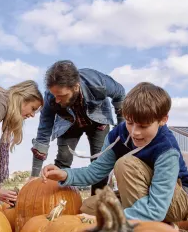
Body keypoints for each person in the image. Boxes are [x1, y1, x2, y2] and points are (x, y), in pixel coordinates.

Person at [41, 82, 188, 223]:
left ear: (163, 120)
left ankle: (152, 227)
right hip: (145, 195)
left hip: (176, 201)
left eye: (143, 126)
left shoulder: (166, 148)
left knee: (125, 163)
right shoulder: (118, 135)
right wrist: (65, 174)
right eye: (130, 123)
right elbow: (95, 171)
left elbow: (157, 207)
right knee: (89, 207)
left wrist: (113, 219)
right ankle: (145, 219)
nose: (135, 132)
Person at [30, 60, 125, 196]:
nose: (56, 100)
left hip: (98, 120)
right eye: (54, 95)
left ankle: (97, 201)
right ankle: (57, 199)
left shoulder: (97, 83)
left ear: (75, 87)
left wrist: (122, 129)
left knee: (100, 161)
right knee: (63, 159)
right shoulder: (51, 98)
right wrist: (34, 174)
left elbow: (120, 93)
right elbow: (43, 133)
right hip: (67, 122)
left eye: (61, 96)